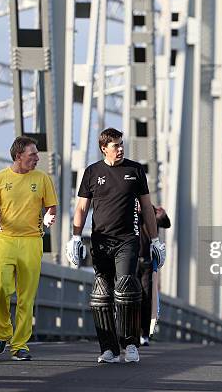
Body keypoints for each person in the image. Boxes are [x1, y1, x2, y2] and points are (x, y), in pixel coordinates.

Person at [66, 128, 166, 364]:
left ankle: (130, 344)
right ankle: (108, 348)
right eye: (116, 146)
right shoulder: (92, 172)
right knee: (102, 296)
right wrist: (75, 237)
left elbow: (148, 208)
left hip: (127, 240)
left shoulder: (135, 170)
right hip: (101, 241)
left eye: (122, 145)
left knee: (127, 289)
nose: (121, 149)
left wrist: (155, 241)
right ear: (104, 148)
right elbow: (81, 208)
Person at [0, 136, 58, 361]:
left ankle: (20, 346)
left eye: (36, 154)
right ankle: (2, 333)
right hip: (5, 240)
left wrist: (48, 217)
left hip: (32, 242)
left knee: (26, 297)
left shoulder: (42, 178)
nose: (37, 158)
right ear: (19, 156)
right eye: (32, 154)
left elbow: (52, 206)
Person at [136, 203, 171, 346]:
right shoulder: (125, 204)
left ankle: (144, 334)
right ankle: (128, 332)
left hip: (146, 261)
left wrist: (162, 215)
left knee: (146, 297)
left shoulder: (149, 208)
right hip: (128, 260)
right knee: (129, 297)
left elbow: (166, 223)